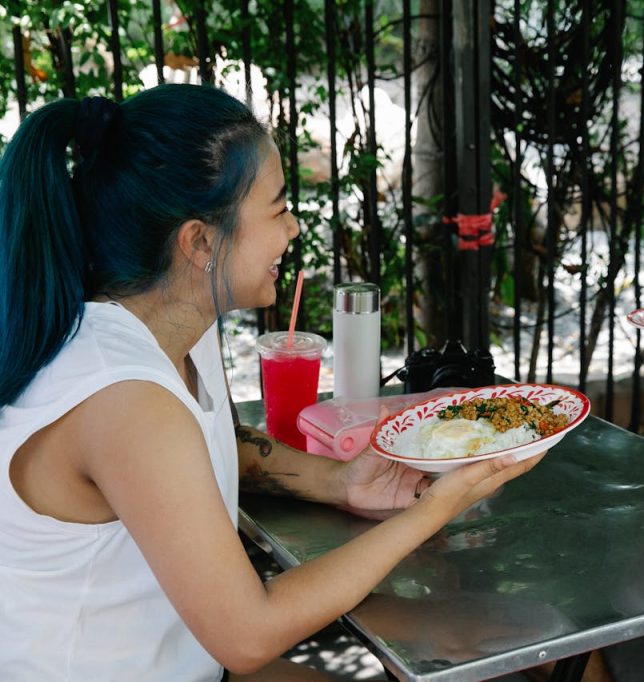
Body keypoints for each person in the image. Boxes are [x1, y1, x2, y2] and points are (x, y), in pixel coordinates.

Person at [0, 83, 543, 681]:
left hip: (191, 664)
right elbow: (247, 634)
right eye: (279, 209)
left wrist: (340, 482)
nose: (293, 229)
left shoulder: (170, 327)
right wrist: (434, 508)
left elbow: (202, 449)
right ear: (200, 241)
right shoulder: (124, 398)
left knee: (487, 632)